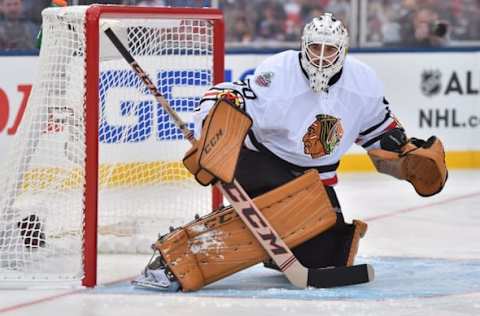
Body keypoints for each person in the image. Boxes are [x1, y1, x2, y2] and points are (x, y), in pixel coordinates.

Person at [133, 12, 447, 291]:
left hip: (315, 179)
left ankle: (277, 251)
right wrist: (215, 114)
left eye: (330, 50)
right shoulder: (278, 74)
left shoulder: (362, 82)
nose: (322, 58)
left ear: (343, 51)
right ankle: (176, 261)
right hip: (258, 162)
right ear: (303, 45)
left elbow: (380, 134)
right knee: (285, 213)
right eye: (315, 48)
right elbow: (233, 97)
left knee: (332, 257)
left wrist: (404, 156)